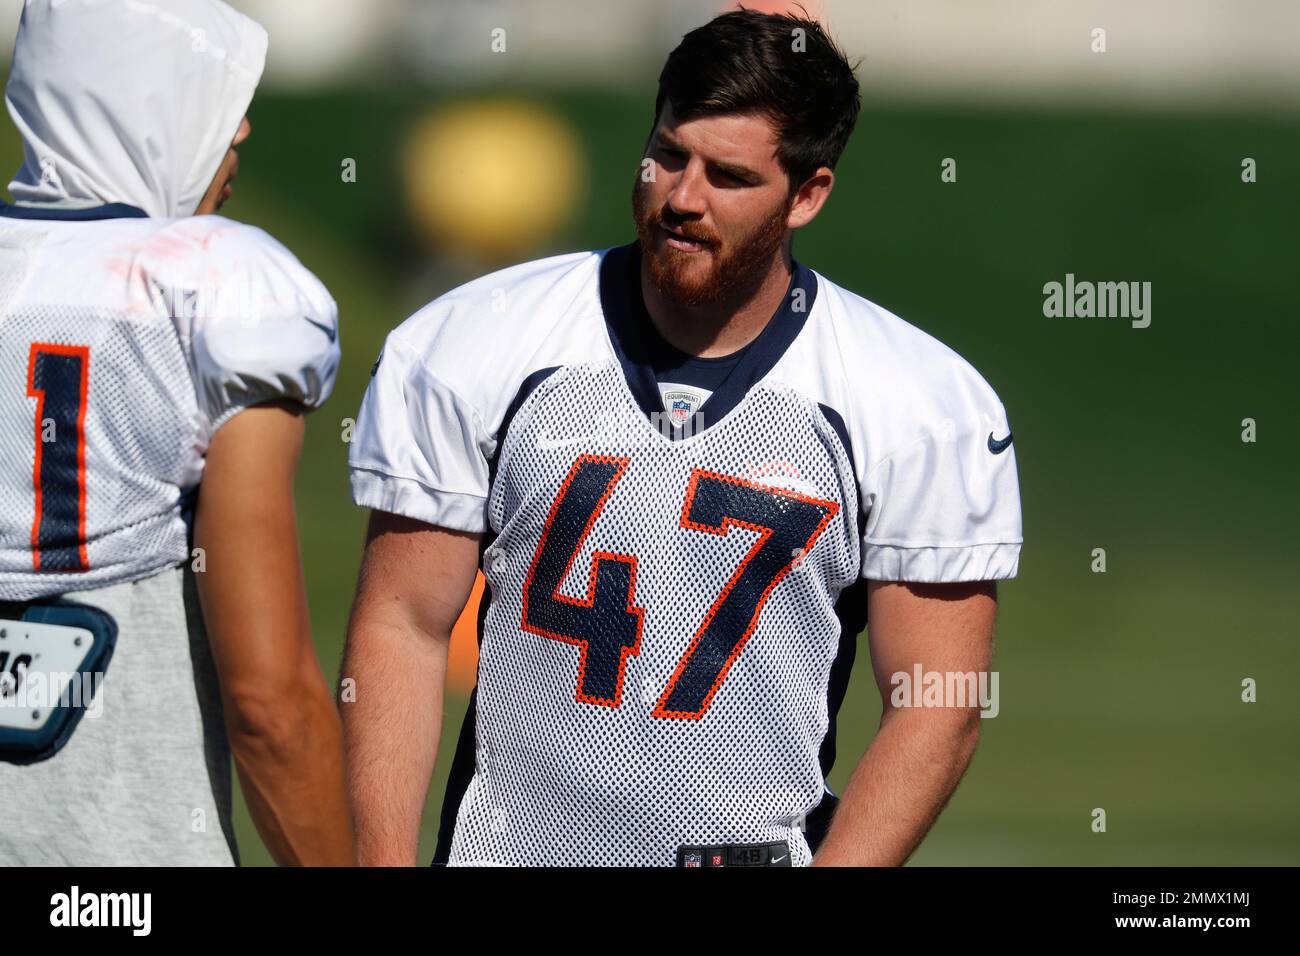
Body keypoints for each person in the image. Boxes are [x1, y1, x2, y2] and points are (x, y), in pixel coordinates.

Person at [343, 8, 1022, 867]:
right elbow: (402, 624)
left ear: (808, 194)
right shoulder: (477, 345)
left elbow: (938, 702)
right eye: (667, 154)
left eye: (729, 176)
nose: (682, 197)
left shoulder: (917, 406)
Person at [0, 0, 353, 866]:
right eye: (210, 94)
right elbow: (267, 704)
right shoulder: (219, 287)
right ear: (148, 103)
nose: (238, 131)